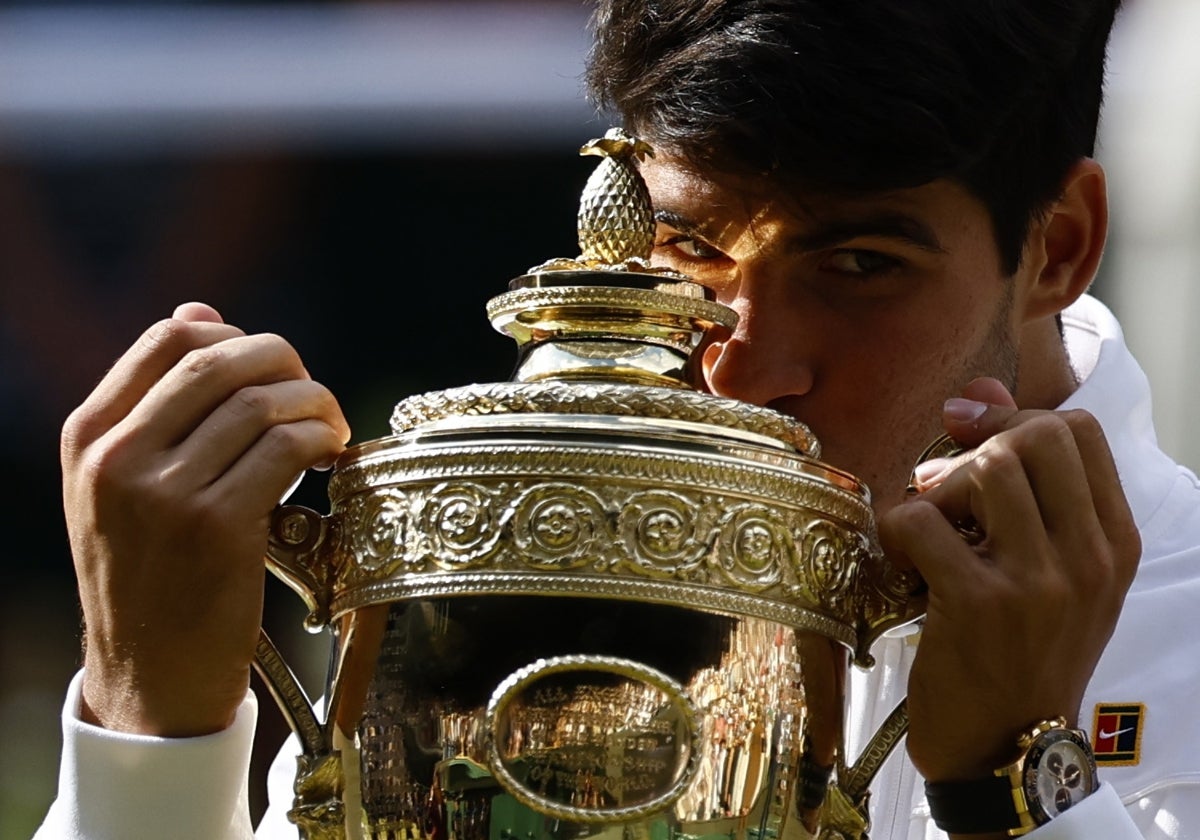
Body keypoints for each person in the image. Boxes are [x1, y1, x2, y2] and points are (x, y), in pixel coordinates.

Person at [34, 0, 1200, 838]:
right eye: (691, 246)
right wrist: (151, 726)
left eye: (858, 263)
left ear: (1056, 248)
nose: (745, 367)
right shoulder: (531, 546)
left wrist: (1019, 796)